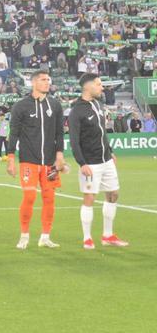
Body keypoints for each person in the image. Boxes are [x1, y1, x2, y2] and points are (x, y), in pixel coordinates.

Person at [6, 71, 66, 250]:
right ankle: (24, 235)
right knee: (30, 196)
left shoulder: (55, 105)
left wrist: (60, 155)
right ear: (33, 82)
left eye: (48, 79)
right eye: (43, 79)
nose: (47, 82)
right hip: (28, 161)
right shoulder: (21, 106)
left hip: (49, 162)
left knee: (49, 198)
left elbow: (59, 133)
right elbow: (14, 133)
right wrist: (11, 159)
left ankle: (45, 237)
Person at [68, 73, 129, 249]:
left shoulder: (97, 104)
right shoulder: (76, 111)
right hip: (90, 163)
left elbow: (102, 131)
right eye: (98, 84)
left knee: (113, 194)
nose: (102, 87)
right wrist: (82, 163)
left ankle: (108, 235)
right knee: (89, 198)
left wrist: (110, 152)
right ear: (88, 87)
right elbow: (74, 140)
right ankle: (87, 238)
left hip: (106, 160)